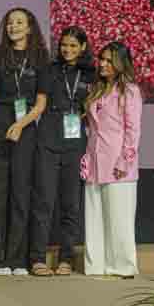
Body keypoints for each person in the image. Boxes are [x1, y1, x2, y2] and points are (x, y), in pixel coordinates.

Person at [0, 8, 50, 276]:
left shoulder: (41, 58)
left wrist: (21, 125)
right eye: (9, 22)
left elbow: (41, 102)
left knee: (21, 194)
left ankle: (17, 259)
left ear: (30, 27)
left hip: (25, 126)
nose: (13, 26)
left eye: (19, 22)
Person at [30, 27, 96, 277]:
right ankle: (37, 258)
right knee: (44, 202)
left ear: (82, 47)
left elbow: (93, 106)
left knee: (71, 205)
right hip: (48, 138)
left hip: (75, 142)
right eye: (64, 45)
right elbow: (40, 105)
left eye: (72, 45)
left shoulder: (91, 74)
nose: (67, 50)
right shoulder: (49, 70)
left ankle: (66, 258)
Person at [81, 41, 142, 278]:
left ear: (120, 64)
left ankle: (123, 266)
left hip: (118, 164)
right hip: (95, 161)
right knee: (94, 217)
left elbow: (133, 130)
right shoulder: (97, 89)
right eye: (102, 60)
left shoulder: (130, 91)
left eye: (109, 60)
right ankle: (96, 265)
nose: (103, 64)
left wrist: (124, 161)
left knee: (119, 219)